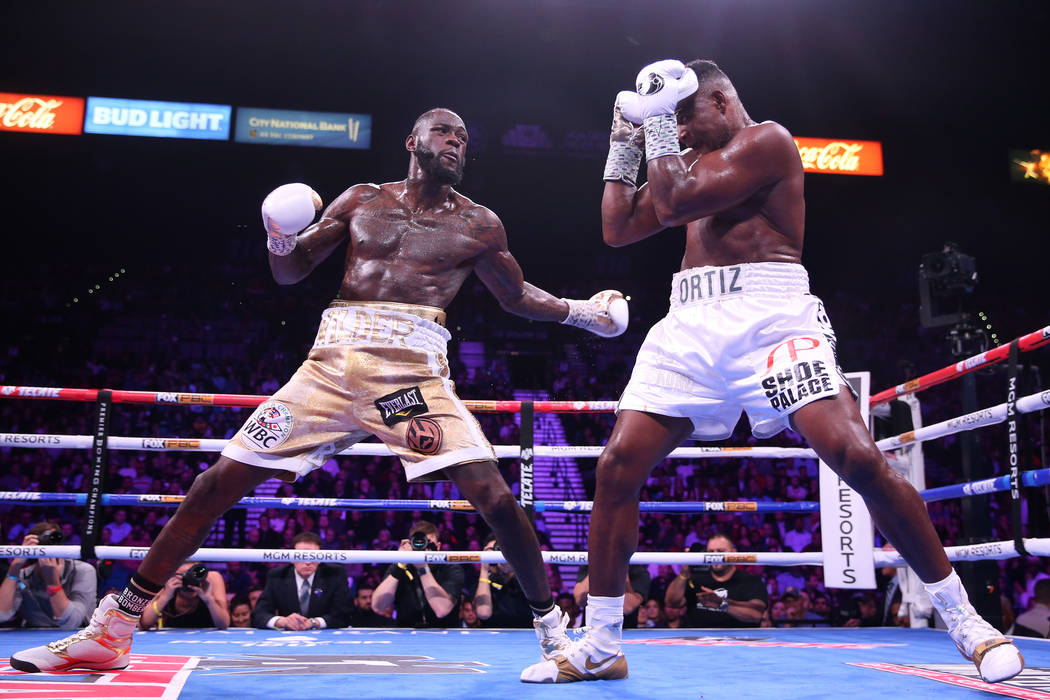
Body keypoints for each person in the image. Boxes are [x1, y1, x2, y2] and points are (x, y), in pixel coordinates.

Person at [10, 107, 625, 673]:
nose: (456, 142)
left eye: (463, 137)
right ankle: (114, 628)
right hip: (328, 367)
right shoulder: (361, 199)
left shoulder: (478, 224)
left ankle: (552, 631)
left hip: (410, 376)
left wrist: (583, 312)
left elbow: (516, 297)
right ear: (413, 142)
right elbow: (292, 269)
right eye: (445, 131)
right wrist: (278, 234)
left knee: (493, 494)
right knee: (215, 483)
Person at [521, 59, 1023, 683]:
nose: (675, 133)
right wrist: (624, 140)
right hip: (691, 321)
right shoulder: (685, 162)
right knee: (617, 465)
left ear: (722, 103)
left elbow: (675, 203)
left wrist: (650, 122)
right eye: (668, 124)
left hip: (771, 319)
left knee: (856, 456)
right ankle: (600, 646)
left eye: (683, 118)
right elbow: (618, 226)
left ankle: (968, 622)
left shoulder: (767, 141)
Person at [0, 523, 97, 630]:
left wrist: (53, 582)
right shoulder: (21, 575)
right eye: (45, 540)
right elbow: (2, 615)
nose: (51, 544)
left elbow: (71, 623)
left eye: (55, 538)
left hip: (76, 637)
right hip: (32, 639)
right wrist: (15, 566)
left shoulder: (83, 571)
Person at [251, 531, 353, 630]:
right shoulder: (277, 576)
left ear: (321, 558)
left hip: (326, 640)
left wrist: (314, 623)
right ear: (291, 558)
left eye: (313, 556)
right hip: (288, 640)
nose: (308, 562)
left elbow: (345, 615)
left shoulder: (335, 574)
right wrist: (282, 621)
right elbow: (259, 614)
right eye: (301, 556)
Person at [371, 521, 464, 628]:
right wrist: (400, 565)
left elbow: (441, 610)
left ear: (438, 547)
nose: (423, 548)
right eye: (418, 543)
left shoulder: (451, 568)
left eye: (427, 543)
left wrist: (422, 568)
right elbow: (378, 606)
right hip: (406, 633)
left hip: (444, 634)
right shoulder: (401, 566)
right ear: (410, 544)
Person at [664, 534, 767, 628]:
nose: (715, 556)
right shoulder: (696, 579)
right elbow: (672, 603)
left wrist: (722, 604)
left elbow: (756, 614)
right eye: (711, 552)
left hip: (739, 643)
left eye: (720, 551)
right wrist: (684, 572)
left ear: (734, 553)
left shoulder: (749, 580)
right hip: (699, 643)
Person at [138, 562, 229, 629]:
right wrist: (166, 596)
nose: (190, 580)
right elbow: (145, 623)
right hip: (171, 641)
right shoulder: (167, 582)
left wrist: (209, 600)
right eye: (184, 575)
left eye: (194, 575)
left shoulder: (211, 580)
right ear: (174, 574)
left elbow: (223, 624)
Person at [473, 535, 533, 628]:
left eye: (503, 549)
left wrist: (517, 565)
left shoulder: (526, 578)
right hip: (492, 635)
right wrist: (484, 569)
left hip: (526, 635)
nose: (501, 554)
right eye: (496, 550)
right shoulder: (484, 580)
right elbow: (483, 613)